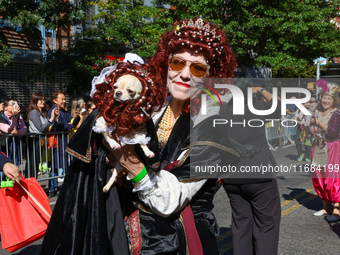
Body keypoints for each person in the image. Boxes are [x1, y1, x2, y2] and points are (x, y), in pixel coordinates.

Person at [41, 18, 240, 255]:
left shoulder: (214, 126)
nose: (184, 74)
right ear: (166, 65)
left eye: (197, 68)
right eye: (177, 63)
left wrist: (131, 164)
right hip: (126, 233)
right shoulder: (153, 109)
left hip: (179, 240)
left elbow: (169, 201)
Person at [221, 80, 281, 255]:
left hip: (231, 176)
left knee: (241, 225)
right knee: (266, 225)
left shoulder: (222, 112)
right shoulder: (256, 109)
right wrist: (261, 90)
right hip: (259, 175)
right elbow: (279, 106)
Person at [310, 79, 340, 222]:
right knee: (319, 177)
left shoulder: (336, 114)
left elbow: (332, 133)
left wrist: (318, 123)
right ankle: (325, 207)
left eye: (329, 98)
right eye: (324, 97)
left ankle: (336, 210)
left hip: (332, 148)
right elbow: (311, 130)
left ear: (334, 100)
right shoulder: (317, 112)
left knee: (331, 179)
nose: (326, 100)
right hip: (318, 147)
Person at [47, 91, 76, 196]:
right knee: (55, 164)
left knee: (60, 164)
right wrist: (69, 125)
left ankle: (57, 187)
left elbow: (72, 121)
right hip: (57, 141)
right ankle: (52, 188)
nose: (64, 101)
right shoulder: (53, 111)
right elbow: (60, 126)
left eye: (64, 99)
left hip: (64, 141)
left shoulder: (64, 111)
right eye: (62, 99)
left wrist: (70, 124)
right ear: (55, 100)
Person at [25, 92, 59, 178]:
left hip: (40, 140)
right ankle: (30, 184)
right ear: (35, 101)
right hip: (34, 140)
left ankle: (33, 183)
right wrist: (51, 119)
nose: (42, 101)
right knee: (32, 165)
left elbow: (49, 129)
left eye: (43, 99)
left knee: (36, 164)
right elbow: (40, 129)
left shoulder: (42, 113)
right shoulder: (34, 112)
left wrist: (56, 119)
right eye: (40, 100)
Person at [0, 99, 27, 166]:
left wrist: (18, 132)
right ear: (5, 107)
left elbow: (24, 128)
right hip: (5, 146)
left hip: (15, 146)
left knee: (15, 166)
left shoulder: (18, 117)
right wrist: (14, 117)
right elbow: (9, 130)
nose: (16, 106)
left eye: (16, 104)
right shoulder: (1, 117)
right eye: (13, 104)